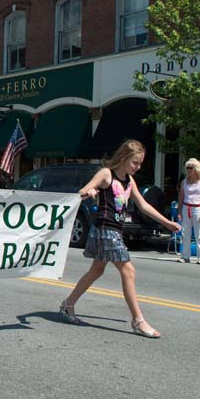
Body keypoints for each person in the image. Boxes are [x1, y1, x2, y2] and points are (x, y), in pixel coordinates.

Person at [59, 140, 180, 338]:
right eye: (135, 163)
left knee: (96, 271)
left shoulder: (129, 181)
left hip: (115, 231)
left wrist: (166, 223)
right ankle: (138, 320)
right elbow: (81, 193)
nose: (138, 167)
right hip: (104, 230)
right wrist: (88, 193)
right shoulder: (106, 174)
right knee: (128, 271)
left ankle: (68, 304)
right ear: (123, 158)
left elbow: (143, 206)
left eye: (140, 163)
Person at [177, 158, 200, 264]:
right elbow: (181, 197)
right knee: (185, 233)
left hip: (198, 208)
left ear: (196, 169)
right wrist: (179, 211)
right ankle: (185, 256)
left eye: (190, 168)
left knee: (199, 233)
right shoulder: (184, 182)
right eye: (187, 168)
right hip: (186, 207)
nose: (188, 170)